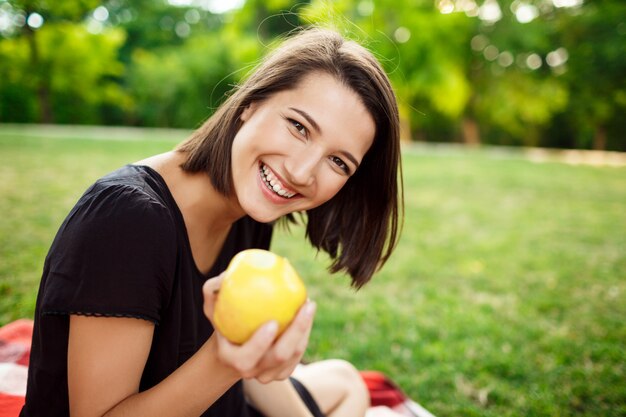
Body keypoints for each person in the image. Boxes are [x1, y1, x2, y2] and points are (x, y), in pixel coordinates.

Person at [20, 27, 403, 417]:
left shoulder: (250, 209)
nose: (302, 172)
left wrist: (249, 357)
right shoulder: (127, 220)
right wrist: (224, 361)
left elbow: (245, 367)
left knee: (345, 382)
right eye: (299, 126)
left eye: (338, 162)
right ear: (250, 103)